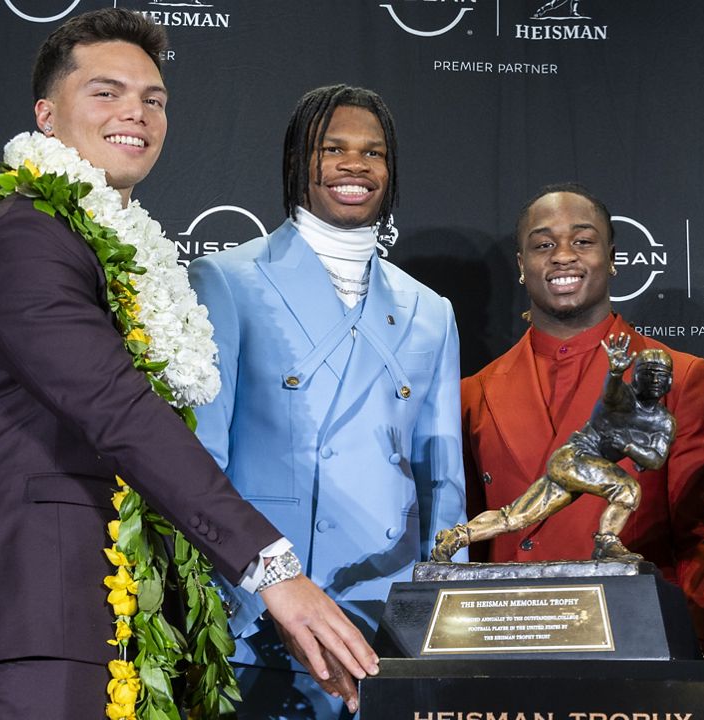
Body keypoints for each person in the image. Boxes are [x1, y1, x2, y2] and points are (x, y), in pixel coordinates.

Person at [0, 10, 376, 718]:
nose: (135, 111)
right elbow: (116, 407)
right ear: (47, 115)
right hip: (40, 618)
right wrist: (272, 568)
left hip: (128, 622)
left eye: (153, 98)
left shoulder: (117, 250)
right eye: (105, 92)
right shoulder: (26, 236)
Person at [188, 84, 466, 718]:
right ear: (298, 161)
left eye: (373, 152)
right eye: (332, 147)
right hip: (258, 615)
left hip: (383, 623)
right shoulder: (224, 281)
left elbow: (442, 484)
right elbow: (199, 463)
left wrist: (438, 620)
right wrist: (233, 596)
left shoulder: (431, 310)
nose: (354, 165)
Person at [457, 184, 704, 654]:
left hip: (635, 646)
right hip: (506, 646)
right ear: (521, 265)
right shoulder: (475, 392)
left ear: (612, 259)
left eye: (583, 241)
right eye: (543, 244)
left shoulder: (680, 376)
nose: (563, 256)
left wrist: (689, 648)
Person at [433, 333, 676, 563]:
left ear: (670, 381)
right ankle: (606, 542)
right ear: (635, 376)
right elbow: (612, 394)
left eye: (661, 375)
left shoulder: (664, 421)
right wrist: (614, 372)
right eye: (648, 373)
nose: (654, 380)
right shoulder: (623, 397)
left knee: (515, 516)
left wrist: (628, 445)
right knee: (628, 489)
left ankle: (457, 536)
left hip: (574, 467)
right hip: (574, 457)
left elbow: (655, 459)